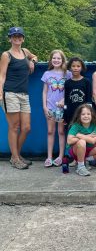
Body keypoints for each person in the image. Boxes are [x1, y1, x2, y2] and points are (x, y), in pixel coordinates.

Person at [0, 27, 38, 169]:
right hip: (10, 93)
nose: (17, 38)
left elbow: (34, 56)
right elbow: (2, 75)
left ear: (23, 38)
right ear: (9, 38)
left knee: (26, 127)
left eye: (19, 36)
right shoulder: (6, 55)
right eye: (14, 36)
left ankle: (15, 155)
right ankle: (15, 158)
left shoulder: (25, 51)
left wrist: (33, 60)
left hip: (24, 94)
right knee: (14, 127)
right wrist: (0, 93)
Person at [42, 50, 72, 167]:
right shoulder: (47, 74)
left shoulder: (68, 74)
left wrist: (64, 100)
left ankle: (60, 156)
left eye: (59, 58)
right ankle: (49, 157)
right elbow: (44, 92)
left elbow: (70, 90)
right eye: (54, 58)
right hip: (50, 107)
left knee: (61, 131)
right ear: (51, 60)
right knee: (50, 131)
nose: (56, 60)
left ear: (63, 60)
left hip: (62, 108)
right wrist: (44, 107)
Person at [66, 104, 96, 176]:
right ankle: (80, 167)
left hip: (89, 150)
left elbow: (92, 141)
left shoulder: (94, 125)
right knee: (82, 142)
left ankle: (87, 159)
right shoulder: (76, 125)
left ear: (92, 115)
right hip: (76, 151)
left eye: (88, 114)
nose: (86, 116)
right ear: (79, 116)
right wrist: (86, 137)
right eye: (83, 114)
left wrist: (79, 135)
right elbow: (69, 141)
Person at [64, 57, 92, 127]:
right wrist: (64, 115)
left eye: (78, 66)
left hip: (83, 115)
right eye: (73, 66)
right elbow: (66, 101)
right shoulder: (67, 83)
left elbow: (89, 100)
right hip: (70, 115)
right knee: (71, 135)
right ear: (70, 68)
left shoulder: (86, 82)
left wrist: (88, 114)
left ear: (82, 67)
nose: (75, 68)